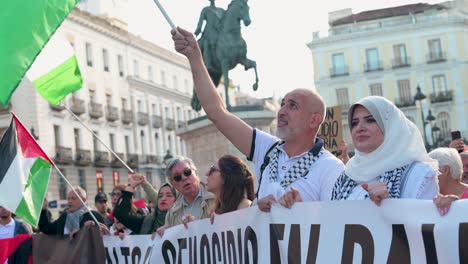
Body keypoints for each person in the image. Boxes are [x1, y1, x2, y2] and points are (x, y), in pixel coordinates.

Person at [171, 28, 344, 212]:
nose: (282, 111)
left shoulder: (330, 167)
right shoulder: (268, 149)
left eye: (292, 106)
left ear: (314, 120)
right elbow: (217, 113)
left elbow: (335, 224)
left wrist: (301, 210)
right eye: (283, 104)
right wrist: (195, 58)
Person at [331, 96, 439, 204]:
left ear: (390, 126)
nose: (360, 128)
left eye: (370, 120)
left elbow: (426, 218)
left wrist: (388, 203)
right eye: (354, 123)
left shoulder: (418, 174)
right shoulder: (347, 175)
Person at [156, 157, 215, 237]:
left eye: (187, 172)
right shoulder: (172, 213)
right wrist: (163, 234)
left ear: (195, 172)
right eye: (177, 177)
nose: (184, 178)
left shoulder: (216, 197)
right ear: (173, 185)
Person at [38, 186, 104, 236]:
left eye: (73, 198)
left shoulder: (94, 216)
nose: (69, 201)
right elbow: (47, 229)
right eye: (68, 198)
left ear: (83, 200)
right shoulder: (65, 216)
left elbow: (102, 236)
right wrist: (43, 209)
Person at [429, 148, 468, 215]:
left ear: (446, 170)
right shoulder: (431, 198)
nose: (427, 177)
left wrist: (458, 204)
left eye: (430, 171)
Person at [194, 0, 224, 71]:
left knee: (206, 42)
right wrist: (195, 33)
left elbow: (199, 26)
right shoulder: (206, 10)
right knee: (206, 42)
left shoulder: (220, 10)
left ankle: (208, 65)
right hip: (210, 33)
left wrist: (196, 33)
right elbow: (199, 26)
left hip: (215, 32)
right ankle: (208, 64)